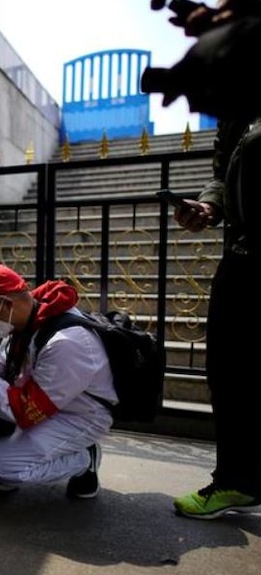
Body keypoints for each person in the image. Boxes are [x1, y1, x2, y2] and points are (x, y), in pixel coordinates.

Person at [156, 0, 261, 522]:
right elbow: (222, 171)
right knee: (229, 372)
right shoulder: (239, 105)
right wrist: (208, 205)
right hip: (243, 257)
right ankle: (238, 481)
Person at [0, 264, 117, 500]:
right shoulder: (29, 318)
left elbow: (26, 410)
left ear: (6, 304)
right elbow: (14, 364)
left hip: (78, 416)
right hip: (47, 402)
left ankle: (84, 459)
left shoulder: (66, 342)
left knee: (4, 466)